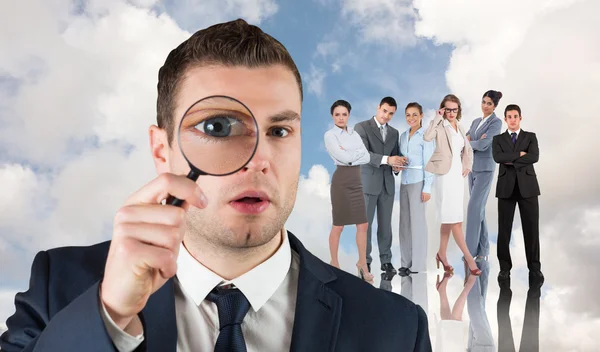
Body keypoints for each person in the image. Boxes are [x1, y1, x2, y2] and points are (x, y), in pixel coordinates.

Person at [0, 19, 432, 352]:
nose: (260, 160)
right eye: (218, 126)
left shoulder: (394, 327)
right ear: (161, 149)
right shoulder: (62, 288)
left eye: (280, 131)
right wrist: (109, 317)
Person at [423, 94, 481, 277]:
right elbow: (427, 137)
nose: (451, 113)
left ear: (458, 110)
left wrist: (468, 165)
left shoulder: (461, 128)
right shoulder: (440, 125)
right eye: (448, 109)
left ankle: (441, 253)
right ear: (443, 109)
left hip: (457, 176)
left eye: (454, 109)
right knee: (455, 221)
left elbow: (466, 149)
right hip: (444, 175)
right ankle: (469, 258)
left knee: (450, 218)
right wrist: (437, 117)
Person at [323, 99, 374, 283]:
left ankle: (362, 264)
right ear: (332, 116)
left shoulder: (354, 134)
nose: (341, 117)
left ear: (349, 115)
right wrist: (354, 155)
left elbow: (367, 156)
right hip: (341, 182)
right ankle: (334, 263)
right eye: (337, 114)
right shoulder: (330, 135)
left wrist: (352, 156)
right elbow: (343, 158)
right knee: (339, 225)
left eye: (344, 114)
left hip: (357, 181)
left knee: (363, 225)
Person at [354, 97, 406, 275]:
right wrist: (387, 160)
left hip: (387, 185)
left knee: (385, 226)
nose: (387, 116)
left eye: (391, 113)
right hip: (368, 183)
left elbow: (395, 155)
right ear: (378, 108)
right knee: (365, 226)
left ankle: (386, 261)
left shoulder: (394, 133)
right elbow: (363, 155)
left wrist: (397, 165)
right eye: (385, 111)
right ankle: (365, 261)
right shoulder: (361, 128)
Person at [492, 104, 543, 284]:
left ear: (520, 118)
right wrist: (520, 155)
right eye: (509, 116)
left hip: (528, 188)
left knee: (532, 230)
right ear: (505, 119)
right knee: (503, 231)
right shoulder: (497, 139)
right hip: (506, 188)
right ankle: (504, 269)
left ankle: (535, 268)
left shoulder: (530, 137)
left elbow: (534, 156)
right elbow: (498, 158)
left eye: (515, 116)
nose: (512, 119)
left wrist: (511, 159)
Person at [464, 90, 503, 265]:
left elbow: (484, 144)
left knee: (473, 209)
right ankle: (483, 251)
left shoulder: (496, 122)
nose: (485, 106)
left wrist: (469, 143)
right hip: (471, 168)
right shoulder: (475, 122)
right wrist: (471, 142)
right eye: (483, 102)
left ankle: (468, 253)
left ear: (494, 106)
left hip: (485, 169)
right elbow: (465, 141)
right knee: (478, 211)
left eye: (489, 103)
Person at [397, 102, 435, 275]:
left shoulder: (425, 136)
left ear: (421, 116)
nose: (411, 118)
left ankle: (418, 265)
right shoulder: (403, 136)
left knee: (418, 224)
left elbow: (430, 162)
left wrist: (427, 187)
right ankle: (406, 263)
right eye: (408, 115)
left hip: (419, 181)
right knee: (404, 224)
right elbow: (401, 159)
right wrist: (397, 166)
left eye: (414, 114)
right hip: (404, 181)